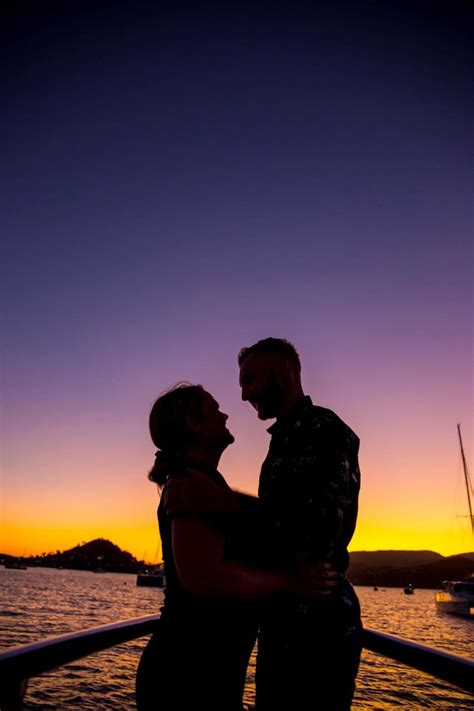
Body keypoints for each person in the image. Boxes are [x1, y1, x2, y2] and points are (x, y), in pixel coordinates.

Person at [166, 339, 362, 710]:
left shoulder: (325, 430)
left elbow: (322, 526)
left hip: (317, 630)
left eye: (250, 380)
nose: (243, 396)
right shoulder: (282, 442)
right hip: (286, 623)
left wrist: (225, 503)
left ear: (284, 372)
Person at [135, 383, 338, 711]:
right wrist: (291, 583)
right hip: (187, 678)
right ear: (194, 423)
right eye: (215, 409)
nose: (226, 413)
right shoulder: (190, 485)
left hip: (204, 674)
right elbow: (205, 578)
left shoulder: (207, 485)